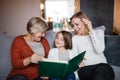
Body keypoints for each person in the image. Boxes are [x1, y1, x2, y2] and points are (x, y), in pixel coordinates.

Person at [70, 11, 115, 80]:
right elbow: (74, 57)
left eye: (77, 24)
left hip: (102, 66)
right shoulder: (74, 38)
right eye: (73, 25)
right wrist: (78, 63)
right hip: (85, 68)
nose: (75, 28)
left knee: (99, 76)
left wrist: (91, 30)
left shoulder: (98, 32)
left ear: (85, 23)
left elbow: (99, 50)